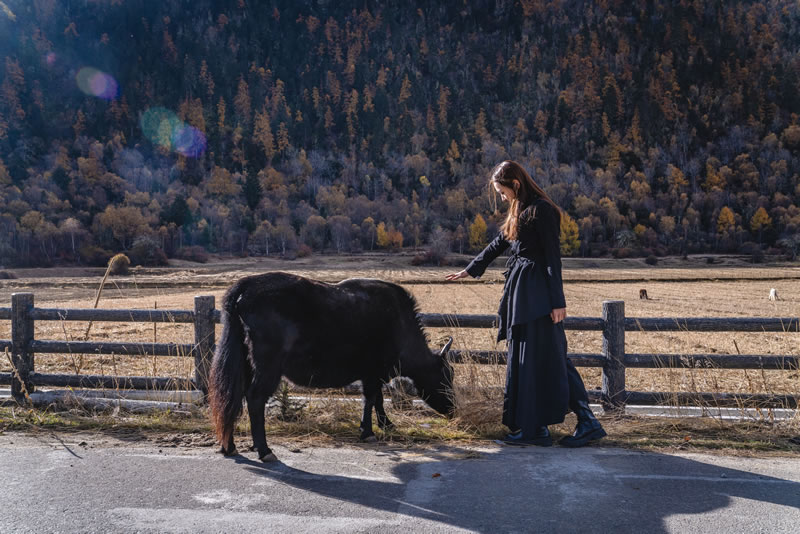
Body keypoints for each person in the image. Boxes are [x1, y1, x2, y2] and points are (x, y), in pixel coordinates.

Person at [446, 160, 605, 447]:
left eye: (503, 192)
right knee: (530, 361)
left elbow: (552, 257)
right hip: (524, 293)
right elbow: (499, 243)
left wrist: (558, 301)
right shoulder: (522, 210)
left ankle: (586, 421)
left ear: (516, 184)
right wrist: (470, 269)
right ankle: (535, 428)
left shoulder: (541, 210)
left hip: (538, 296)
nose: (503, 197)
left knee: (553, 358)